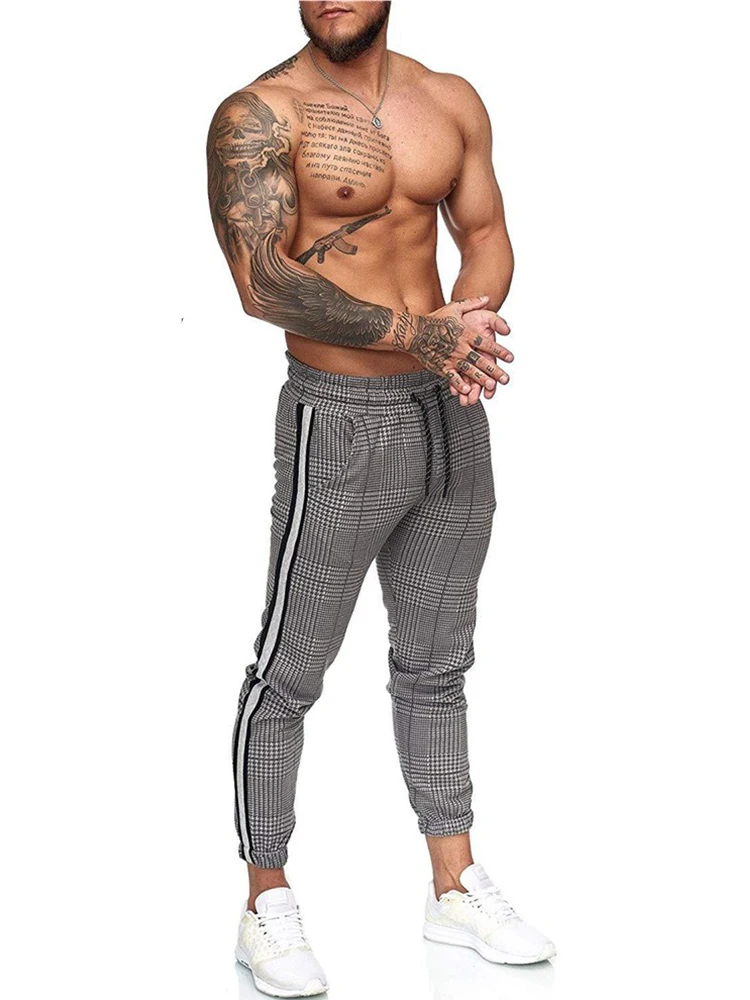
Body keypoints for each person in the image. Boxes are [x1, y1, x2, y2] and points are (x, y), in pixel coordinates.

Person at [206, 2, 555, 995]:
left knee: (438, 662)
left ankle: (454, 883)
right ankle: (265, 900)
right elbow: (262, 280)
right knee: (288, 671)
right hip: (340, 419)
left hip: (448, 411)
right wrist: (418, 333)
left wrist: (468, 323)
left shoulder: (449, 101)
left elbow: (484, 232)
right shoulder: (260, 114)